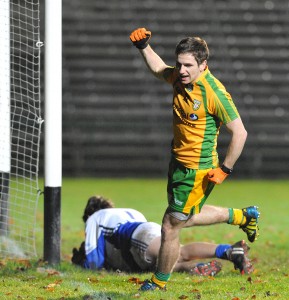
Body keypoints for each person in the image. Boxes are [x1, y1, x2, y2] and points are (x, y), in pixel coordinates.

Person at [129, 28, 260, 291]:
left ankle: (159, 282)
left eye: (188, 65)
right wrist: (144, 46)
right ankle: (243, 217)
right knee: (185, 216)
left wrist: (225, 170)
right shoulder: (179, 77)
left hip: (197, 171)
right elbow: (159, 69)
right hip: (178, 164)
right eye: (179, 64)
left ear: (203, 65)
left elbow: (240, 132)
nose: (182, 70)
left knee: (170, 225)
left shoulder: (214, 93)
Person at [72, 195, 253, 277]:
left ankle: (228, 250)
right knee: (164, 264)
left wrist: (84, 264)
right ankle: (197, 267)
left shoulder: (95, 218)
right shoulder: (126, 211)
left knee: (179, 253)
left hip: (137, 237)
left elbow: (95, 257)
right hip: (145, 230)